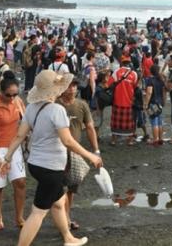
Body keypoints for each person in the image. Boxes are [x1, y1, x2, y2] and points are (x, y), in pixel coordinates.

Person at [0, 69, 102, 246]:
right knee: (38, 212)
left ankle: (68, 238)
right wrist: (90, 156)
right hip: (52, 167)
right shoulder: (57, 110)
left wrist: (6, 159)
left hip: (35, 164)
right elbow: (68, 141)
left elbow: (19, 136)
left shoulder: (31, 108)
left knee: (59, 202)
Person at [57, 77, 100, 231]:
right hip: (56, 152)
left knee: (71, 187)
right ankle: (64, 219)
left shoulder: (82, 105)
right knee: (58, 189)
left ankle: (67, 217)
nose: (73, 89)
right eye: (69, 86)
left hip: (75, 153)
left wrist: (96, 150)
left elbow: (89, 127)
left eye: (75, 86)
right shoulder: (55, 105)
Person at [0, 74, 27, 231]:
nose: (12, 97)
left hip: (13, 146)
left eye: (15, 94)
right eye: (8, 94)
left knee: (20, 182)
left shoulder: (18, 101)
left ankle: (19, 217)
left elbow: (26, 121)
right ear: (0, 92)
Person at [109, 58, 138, 146]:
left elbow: (109, 83)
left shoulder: (116, 72)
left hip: (117, 100)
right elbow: (135, 86)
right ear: (130, 63)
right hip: (129, 101)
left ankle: (113, 140)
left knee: (115, 122)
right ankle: (129, 140)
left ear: (122, 63)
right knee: (129, 123)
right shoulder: (134, 74)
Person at [143, 64, 166, 147]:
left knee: (154, 123)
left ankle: (155, 139)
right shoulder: (161, 80)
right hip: (160, 103)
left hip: (152, 103)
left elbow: (149, 92)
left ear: (150, 71)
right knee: (160, 122)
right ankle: (160, 138)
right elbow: (164, 92)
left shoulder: (150, 80)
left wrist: (145, 104)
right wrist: (164, 101)